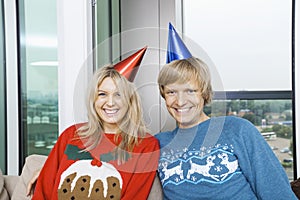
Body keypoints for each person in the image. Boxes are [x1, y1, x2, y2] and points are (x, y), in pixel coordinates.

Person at [154, 23, 297, 199]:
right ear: (163, 96)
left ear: (204, 93)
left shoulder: (236, 130)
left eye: (190, 91)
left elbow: (277, 192)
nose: (180, 101)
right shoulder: (157, 145)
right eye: (171, 92)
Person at [30, 48, 160, 200]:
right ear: (94, 100)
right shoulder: (71, 135)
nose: (110, 103)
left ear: (130, 100)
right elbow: (43, 192)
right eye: (102, 94)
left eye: (119, 95)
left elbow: (135, 196)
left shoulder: (146, 146)